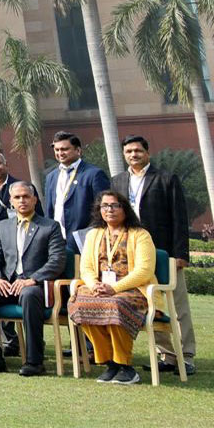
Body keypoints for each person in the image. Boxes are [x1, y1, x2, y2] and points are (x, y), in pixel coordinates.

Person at [113, 134, 195, 374]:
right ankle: (167, 356)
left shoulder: (166, 179)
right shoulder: (118, 181)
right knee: (151, 305)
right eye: (128, 152)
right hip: (133, 254)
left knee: (177, 305)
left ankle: (186, 355)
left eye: (137, 151)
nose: (133, 155)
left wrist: (180, 253)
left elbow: (180, 218)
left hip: (164, 253)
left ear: (147, 152)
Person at [0, 180, 65, 377]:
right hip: (7, 285)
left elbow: (57, 261)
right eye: (17, 197)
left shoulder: (50, 226)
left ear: (34, 200)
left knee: (29, 295)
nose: (22, 200)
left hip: (35, 287)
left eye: (26, 196)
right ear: (11, 201)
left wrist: (33, 279)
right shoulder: (3, 226)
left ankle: (34, 361)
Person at [70, 191, 157, 384]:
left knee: (115, 304)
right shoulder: (93, 234)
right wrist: (94, 286)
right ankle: (110, 363)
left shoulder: (140, 235)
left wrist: (114, 288)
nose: (109, 210)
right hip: (100, 289)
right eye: (104, 206)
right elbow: (86, 268)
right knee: (79, 302)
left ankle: (125, 366)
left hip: (132, 290)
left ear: (124, 208)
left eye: (114, 205)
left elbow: (144, 270)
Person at [45, 130, 109, 252]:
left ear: (78, 151)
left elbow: (103, 209)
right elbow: (49, 210)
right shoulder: (51, 177)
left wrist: (89, 235)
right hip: (57, 242)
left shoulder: (94, 174)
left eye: (64, 149)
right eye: (57, 150)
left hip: (85, 240)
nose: (60, 153)